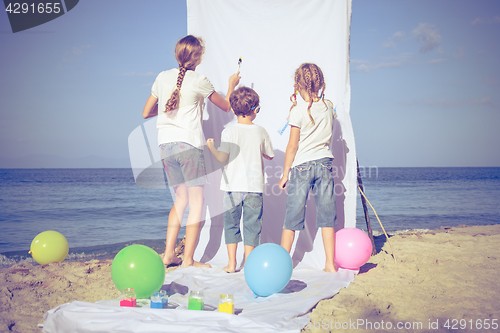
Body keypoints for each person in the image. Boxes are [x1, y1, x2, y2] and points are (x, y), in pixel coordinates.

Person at [142, 35, 240, 268]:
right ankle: (187, 259)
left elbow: (146, 112)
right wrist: (231, 86)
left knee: (179, 200)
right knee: (196, 203)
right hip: (188, 146)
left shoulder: (161, 77)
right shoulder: (199, 80)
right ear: (198, 57)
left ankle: (167, 255)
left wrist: (169, 107)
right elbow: (227, 107)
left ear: (177, 55)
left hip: (165, 145)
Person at [207, 87, 274, 273]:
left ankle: (231, 264)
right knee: (252, 227)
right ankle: (250, 265)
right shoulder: (260, 131)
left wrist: (211, 147)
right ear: (254, 110)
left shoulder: (229, 132)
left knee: (231, 225)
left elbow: (221, 158)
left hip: (232, 187)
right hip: (254, 188)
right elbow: (269, 155)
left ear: (235, 110)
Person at [278, 63, 338, 273]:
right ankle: (330, 264)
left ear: (298, 85)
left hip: (301, 167)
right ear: (320, 83)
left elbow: (292, 146)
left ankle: (283, 265)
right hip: (324, 164)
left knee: (292, 216)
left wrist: (285, 173)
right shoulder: (329, 107)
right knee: (327, 216)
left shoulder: (298, 111)